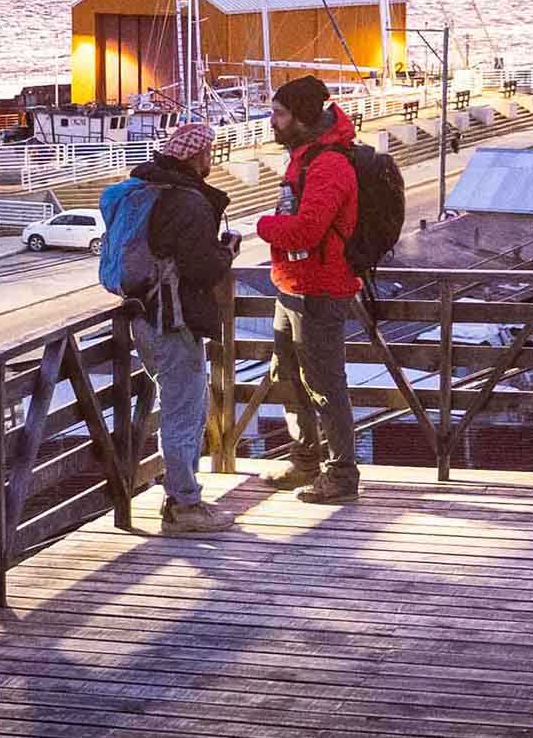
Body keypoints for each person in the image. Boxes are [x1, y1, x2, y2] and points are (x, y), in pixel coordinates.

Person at [118, 121, 239, 534]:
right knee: (183, 412)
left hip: (145, 316)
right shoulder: (188, 203)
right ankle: (184, 505)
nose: (211, 159)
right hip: (173, 320)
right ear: (197, 155)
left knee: (177, 406)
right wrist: (227, 252)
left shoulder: (151, 190)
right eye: (209, 152)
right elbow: (201, 268)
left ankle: (181, 498)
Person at [255, 75, 362, 504]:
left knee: (324, 383)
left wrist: (264, 226)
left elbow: (306, 230)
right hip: (294, 285)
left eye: (279, 114)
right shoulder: (306, 157)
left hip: (319, 289)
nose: (272, 122)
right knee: (288, 377)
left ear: (301, 117)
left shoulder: (328, 164)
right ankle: (305, 461)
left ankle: (341, 474)